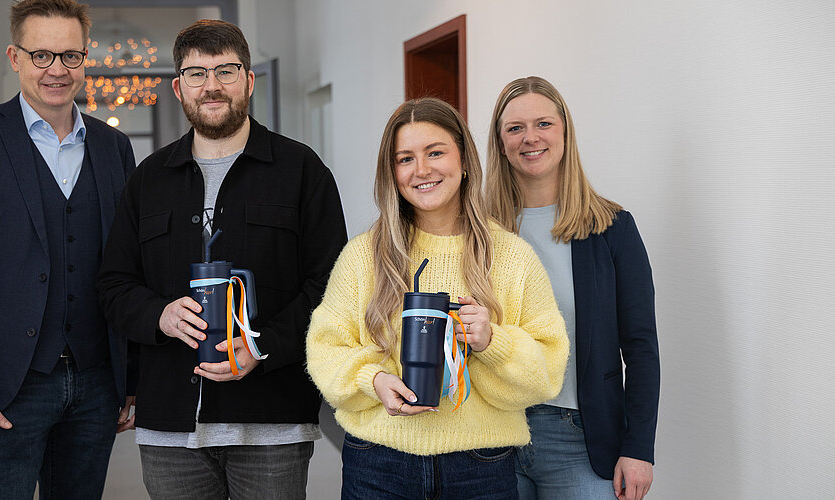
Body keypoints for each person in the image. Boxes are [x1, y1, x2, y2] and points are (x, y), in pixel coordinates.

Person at [96, 19, 347, 500]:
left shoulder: (301, 170)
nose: (211, 86)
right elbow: (114, 284)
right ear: (179, 88)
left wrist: (262, 345)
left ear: (248, 81)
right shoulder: (148, 179)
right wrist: (160, 315)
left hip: (272, 420)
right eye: (196, 73)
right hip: (170, 425)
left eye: (225, 71)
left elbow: (332, 286)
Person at [0, 0, 137, 497]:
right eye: (41, 55)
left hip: (97, 381)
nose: (57, 69)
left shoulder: (113, 147)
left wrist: (131, 376)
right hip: (3, 386)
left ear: (85, 59)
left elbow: (126, 268)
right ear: (15, 57)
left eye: (70, 56)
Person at [305, 97, 569, 499]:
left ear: (463, 161)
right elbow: (325, 349)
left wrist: (492, 342)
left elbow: (548, 371)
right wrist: (373, 380)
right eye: (405, 159)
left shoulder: (512, 256)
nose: (422, 170)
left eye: (435, 152)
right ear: (392, 173)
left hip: (481, 468)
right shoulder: (363, 255)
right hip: (378, 463)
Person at [484, 76, 660, 500]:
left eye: (543, 124)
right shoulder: (479, 232)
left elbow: (640, 347)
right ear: (501, 142)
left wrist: (638, 449)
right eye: (515, 128)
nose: (530, 138)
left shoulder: (612, 228)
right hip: (492, 436)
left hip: (581, 441)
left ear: (565, 132)